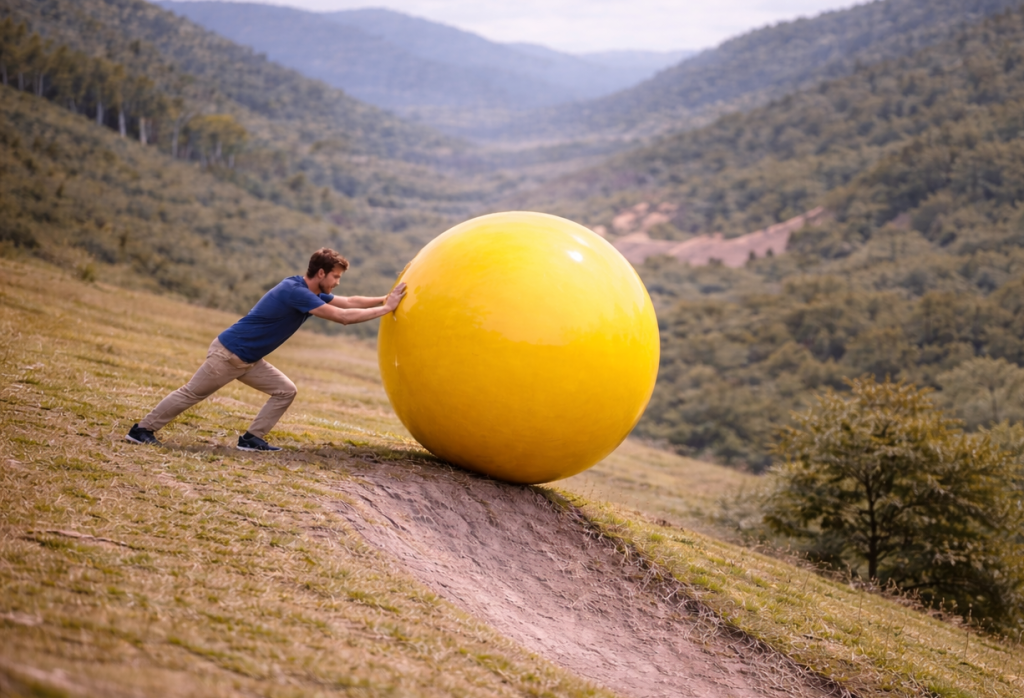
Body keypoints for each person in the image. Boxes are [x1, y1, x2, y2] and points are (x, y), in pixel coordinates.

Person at [126, 248, 406, 451]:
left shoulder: (309, 290)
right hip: (229, 354)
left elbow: (349, 301)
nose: (337, 282)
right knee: (191, 394)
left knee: (285, 390)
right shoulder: (296, 292)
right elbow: (342, 317)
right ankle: (141, 431)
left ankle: (251, 439)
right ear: (321, 273)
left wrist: (386, 298)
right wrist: (386, 309)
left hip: (248, 360)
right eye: (335, 276)